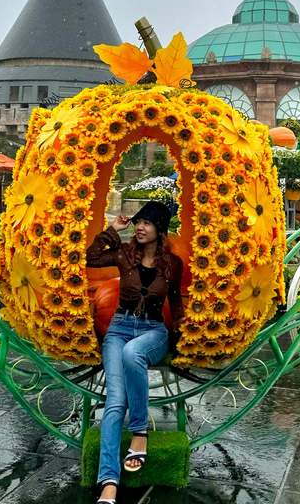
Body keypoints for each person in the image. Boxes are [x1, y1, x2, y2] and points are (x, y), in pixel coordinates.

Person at [86, 201, 184, 504]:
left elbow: (176, 302)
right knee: (115, 402)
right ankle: (109, 481)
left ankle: (139, 431)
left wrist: (185, 334)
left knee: (132, 354)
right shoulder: (125, 255)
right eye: (138, 222)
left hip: (153, 332)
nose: (140, 227)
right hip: (118, 328)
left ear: (160, 230)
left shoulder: (173, 264)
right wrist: (113, 230)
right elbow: (91, 257)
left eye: (147, 223)